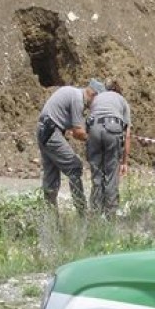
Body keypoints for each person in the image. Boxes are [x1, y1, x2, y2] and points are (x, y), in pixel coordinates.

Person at [36, 78, 105, 214]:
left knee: (51, 178)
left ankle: (50, 219)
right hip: (51, 132)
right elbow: (77, 132)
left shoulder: (73, 94)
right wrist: (95, 140)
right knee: (74, 166)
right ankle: (82, 211)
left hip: (44, 131)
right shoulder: (78, 100)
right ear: (93, 95)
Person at [86, 78, 132, 217]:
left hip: (93, 128)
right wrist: (124, 162)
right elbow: (127, 135)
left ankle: (95, 213)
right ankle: (110, 214)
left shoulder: (98, 98)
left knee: (97, 173)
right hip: (113, 128)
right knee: (111, 174)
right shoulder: (122, 101)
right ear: (118, 90)